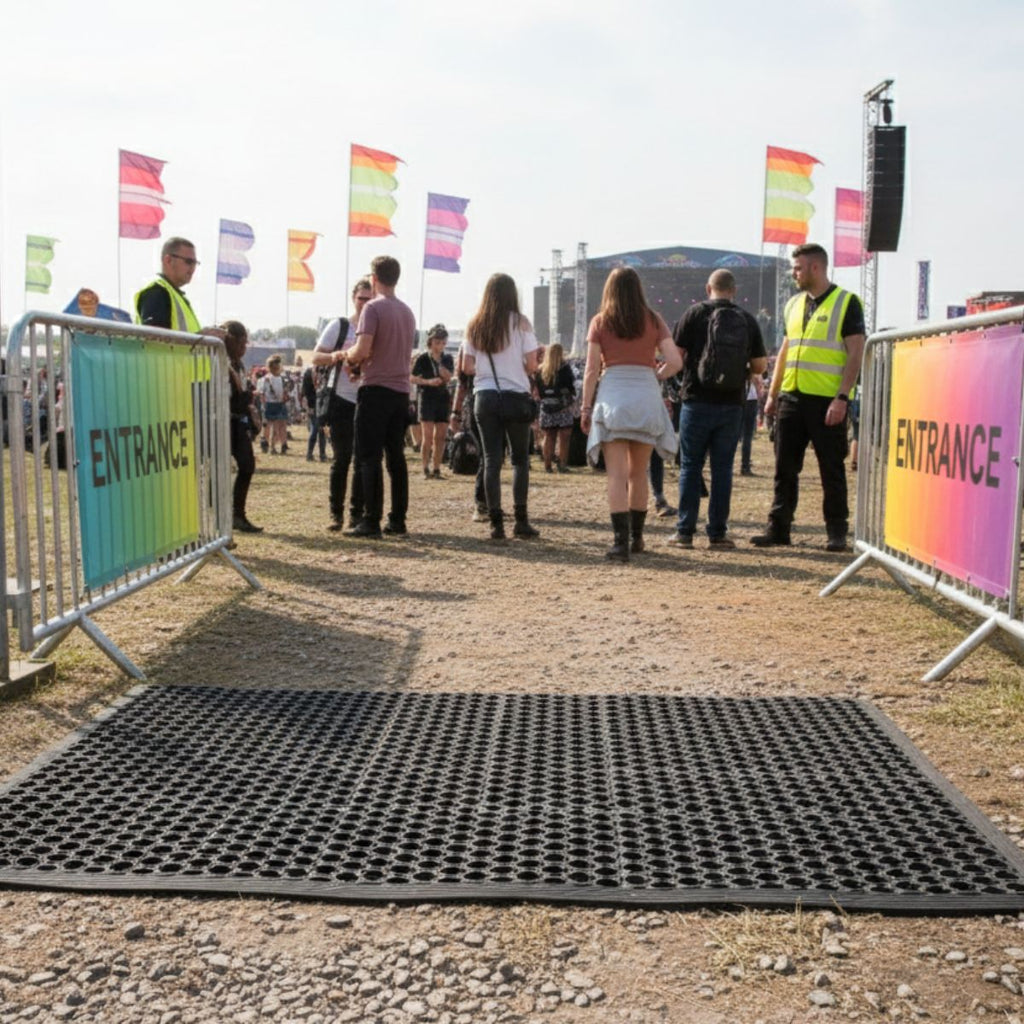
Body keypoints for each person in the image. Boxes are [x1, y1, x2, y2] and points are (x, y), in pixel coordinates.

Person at [752, 243, 866, 551]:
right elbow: (786, 352)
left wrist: (842, 397)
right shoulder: (793, 305)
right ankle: (778, 528)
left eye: (798, 268)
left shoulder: (847, 303)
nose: (794, 273)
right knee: (784, 468)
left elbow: (856, 353)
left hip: (827, 400)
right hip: (792, 396)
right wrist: (773, 395)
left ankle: (837, 532)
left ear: (816, 267)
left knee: (832, 469)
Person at [580, 267, 682, 561]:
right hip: (646, 396)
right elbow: (674, 361)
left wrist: (586, 407)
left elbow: (590, 371)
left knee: (617, 475)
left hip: (613, 396)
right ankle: (638, 538)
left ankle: (619, 543)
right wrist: (657, 375)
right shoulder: (653, 319)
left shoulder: (600, 322)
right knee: (640, 473)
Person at [669, 269, 767, 549]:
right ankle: (718, 533)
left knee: (690, 466)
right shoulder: (746, 320)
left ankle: (685, 532)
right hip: (731, 404)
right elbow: (760, 366)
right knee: (723, 469)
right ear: (733, 291)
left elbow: (677, 356)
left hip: (696, 400)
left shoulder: (693, 314)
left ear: (708, 288)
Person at [463, 272, 541, 542]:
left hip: (484, 397)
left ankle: (496, 523)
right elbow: (532, 365)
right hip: (515, 396)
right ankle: (521, 520)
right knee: (520, 460)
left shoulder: (475, 324)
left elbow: (466, 366)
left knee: (492, 460)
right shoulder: (520, 323)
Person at [343, 256, 416, 538]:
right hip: (400, 392)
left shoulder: (372, 308)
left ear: (374, 278)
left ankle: (370, 520)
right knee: (395, 457)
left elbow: (362, 349)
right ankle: (397, 519)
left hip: (375, 390)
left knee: (368, 456)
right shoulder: (407, 312)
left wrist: (347, 356)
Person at [313, 279, 376, 530]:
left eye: (370, 300)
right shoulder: (340, 326)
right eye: (362, 299)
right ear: (354, 299)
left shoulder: (377, 328)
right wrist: (336, 356)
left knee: (363, 458)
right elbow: (316, 357)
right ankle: (335, 513)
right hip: (341, 398)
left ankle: (356, 513)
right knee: (342, 458)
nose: (365, 304)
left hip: (367, 398)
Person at [222, 321, 262, 534]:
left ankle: (238, 514)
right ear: (231, 341)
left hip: (237, 422)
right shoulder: (219, 362)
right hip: (220, 423)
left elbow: (242, 396)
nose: (244, 347)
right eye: (241, 343)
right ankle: (218, 522)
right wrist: (247, 397)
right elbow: (229, 397)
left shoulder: (238, 364)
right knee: (218, 474)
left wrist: (250, 408)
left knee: (247, 465)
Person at [135, 237, 221, 335]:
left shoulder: (175, 296)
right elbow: (154, 341)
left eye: (195, 263)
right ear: (168, 260)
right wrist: (201, 338)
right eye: (188, 262)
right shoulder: (156, 293)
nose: (193, 268)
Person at [411, 324, 454, 479]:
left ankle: (437, 468)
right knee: (427, 436)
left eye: (443, 343)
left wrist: (442, 370)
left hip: (442, 397)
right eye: (437, 342)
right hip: (427, 397)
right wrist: (428, 382)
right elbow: (411, 377)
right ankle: (425, 468)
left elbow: (449, 377)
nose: (440, 346)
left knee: (440, 436)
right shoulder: (422, 358)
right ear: (430, 342)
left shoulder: (447, 358)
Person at [535, 342, 576, 474]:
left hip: (546, 406)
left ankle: (547, 465)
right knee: (564, 437)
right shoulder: (565, 368)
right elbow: (571, 387)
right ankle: (562, 465)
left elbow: (539, 391)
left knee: (548, 436)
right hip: (563, 407)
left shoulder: (541, 370)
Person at [258, 355, 289, 454]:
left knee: (276, 427)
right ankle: (267, 444)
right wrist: (264, 406)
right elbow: (262, 394)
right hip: (269, 405)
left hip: (278, 404)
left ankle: (273, 446)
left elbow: (284, 391)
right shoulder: (265, 379)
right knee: (269, 427)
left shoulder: (282, 379)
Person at [301, 364, 328, 462]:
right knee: (315, 429)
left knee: (321, 429)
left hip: (323, 403)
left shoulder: (325, 370)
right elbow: (305, 390)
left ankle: (322, 454)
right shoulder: (309, 372)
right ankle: (310, 453)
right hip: (313, 403)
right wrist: (309, 406)